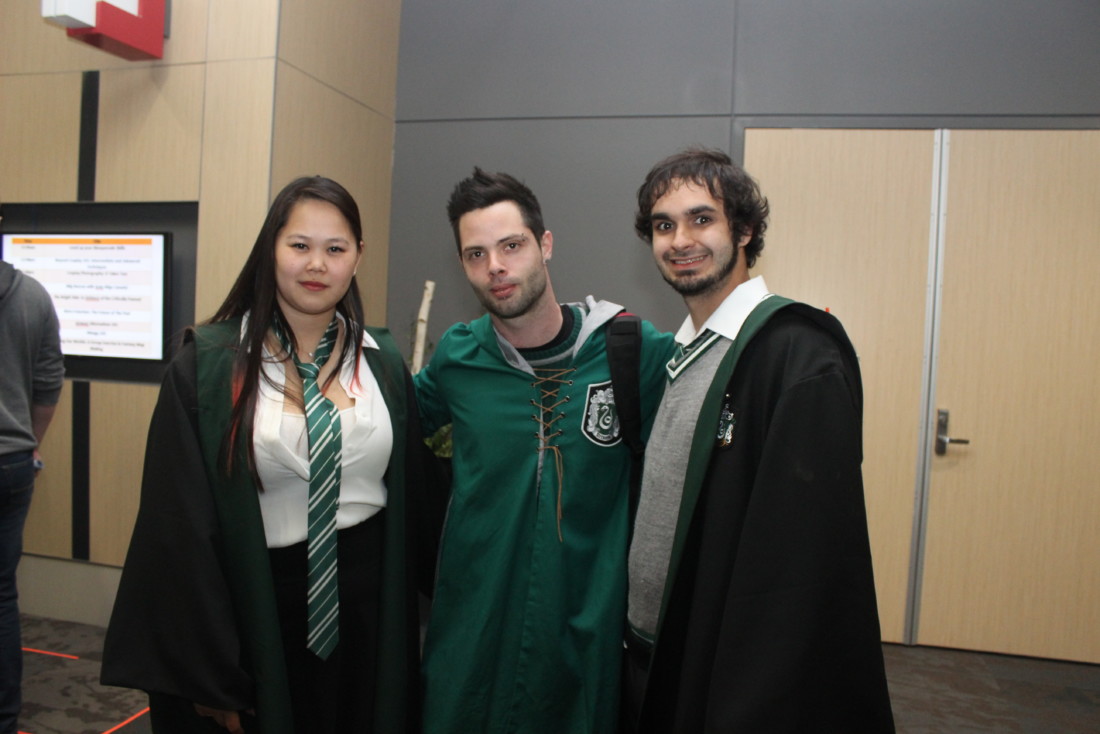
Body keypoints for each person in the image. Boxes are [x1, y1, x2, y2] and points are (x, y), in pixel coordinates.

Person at [101, 176, 432, 734]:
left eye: (335, 249)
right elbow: (176, 531)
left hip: (369, 619)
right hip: (256, 614)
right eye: (299, 245)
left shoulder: (382, 364)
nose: (317, 264)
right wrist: (208, 674)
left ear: (357, 257)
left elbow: (418, 501)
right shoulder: (207, 368)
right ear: (270, 249)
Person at [623, 148, 895, 732]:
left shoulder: (798, 355)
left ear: (744, 230)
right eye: (664, 226)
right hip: (652, 658)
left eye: (701, 219)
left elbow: (804, 569)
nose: (680, 240)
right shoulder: (683, 353)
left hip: (724, 674)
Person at [415, 168, 674, 733]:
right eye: (476, 254)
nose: (495, 266)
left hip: (585, 640)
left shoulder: (632, 352)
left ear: (545, 244)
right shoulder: (458, 360)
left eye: (512, 245)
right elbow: (379, 424)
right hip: (473, 638)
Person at [0, 262, 64, 734]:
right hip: (13, 461)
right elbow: (48, 386)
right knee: (2, 594)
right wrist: (31, 444)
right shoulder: (32, 294)